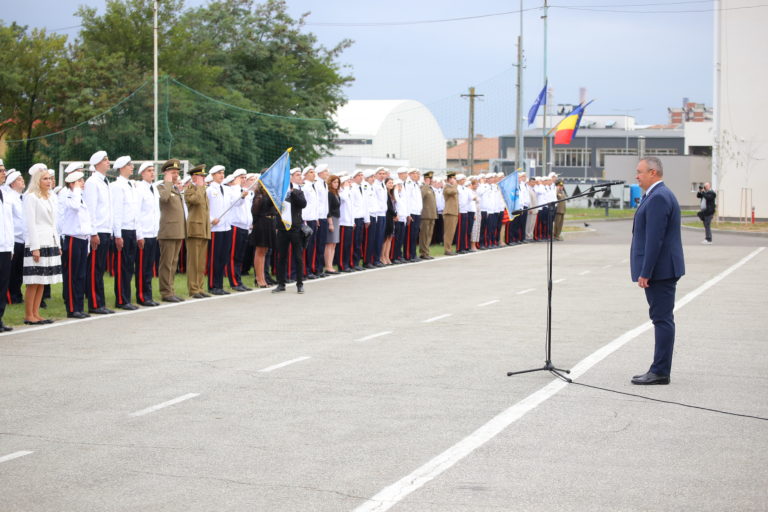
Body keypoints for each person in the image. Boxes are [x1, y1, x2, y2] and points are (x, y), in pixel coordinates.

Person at [630, 157, 685, 385]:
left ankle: (660, 371)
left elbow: (655, 239)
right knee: (661, 318)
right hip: (661, 268)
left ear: (653, 173)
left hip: (660, 270)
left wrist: (646, 271)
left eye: (640, 172)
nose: (637, 176)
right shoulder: (655, 195)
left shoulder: (659, 197)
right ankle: (659, 368)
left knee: (661, 319)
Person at [22, 164, 63, 325]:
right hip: (37, 242)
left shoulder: (51, 197)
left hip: (50, 241)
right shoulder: (31, 197)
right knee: (33, 281)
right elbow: (30, 224)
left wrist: (57, 244)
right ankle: (28, 315)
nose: (49, 181)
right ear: (37, 181)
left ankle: (36, 313)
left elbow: (54, 224)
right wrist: (35, 247)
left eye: (50, 178)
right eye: (45, 179)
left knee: (42, 280)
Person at [83, 150, 115, 315]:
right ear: (97, 163)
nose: (108, 162)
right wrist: (93, 233)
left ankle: (100, 302)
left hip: (105, 230)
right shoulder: (92, 182)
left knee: (100, 268)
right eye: (105, 160)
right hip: (97, 231)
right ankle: (94, 304)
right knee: (94, 269)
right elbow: (90, 210)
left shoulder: (104, 181)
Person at [59, 170, 92, 319]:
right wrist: (76, 189)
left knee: (80, 275)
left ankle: (79, 306)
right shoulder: (68, 196)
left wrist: (88, 243)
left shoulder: (81, 198)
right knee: (72, 275)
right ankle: (72, 308)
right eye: (79, 181)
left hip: (82, 239)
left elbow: (86, 222)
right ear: (72, 183)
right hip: (72, 239)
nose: (82, 183)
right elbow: (74, 207)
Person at [110, 156, 141, 310]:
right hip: (123, 230)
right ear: (122, 167)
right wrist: (117, 235)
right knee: (122, 266)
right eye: (129, 165)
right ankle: (122, 299)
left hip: (132, 230)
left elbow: (135, 212)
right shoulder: (117, 186)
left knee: (129, 266)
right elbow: (116, 212)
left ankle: (127, 298)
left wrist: (138, 234)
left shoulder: (131, 185)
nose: (132, 167)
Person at [156, 159, 187, 302]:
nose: (176, 175)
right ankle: (166, 292)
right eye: (173, 173)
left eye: (177, 173)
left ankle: (171, 289)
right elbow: (164, 199)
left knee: (173, 263)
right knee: (167, 263)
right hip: (167, 231)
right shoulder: (162, 187)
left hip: (177, 230)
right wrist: (168, 182)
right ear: (165, 173)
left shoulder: (174, 188)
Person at [273, 168, 307, 294]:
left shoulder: (298, 192)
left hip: (295, 228)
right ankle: (281, 283)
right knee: (281, 257)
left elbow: (303, 204)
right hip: (282, 229)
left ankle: (299, 283)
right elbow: (276, 210)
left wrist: (292, 193)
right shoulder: (279, 195)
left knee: (298, 257)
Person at [135, 162, 161, 306]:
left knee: (149, 266)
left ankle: (148, 294)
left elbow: (155, 212)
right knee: (142, 267)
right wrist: (139, 235)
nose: (152, 173)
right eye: (149, 171)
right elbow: (137, 213)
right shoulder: (140, 189)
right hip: (144, 233)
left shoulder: (154, 188)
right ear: (142, 173)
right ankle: (142, 296)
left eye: (153, 170)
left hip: (153, 232)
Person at [185, 164, 212, 299]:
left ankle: (200, 287)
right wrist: (200, 187)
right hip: (194, 229)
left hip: (204, 229)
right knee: (193, 262)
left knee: (201, 262)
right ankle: (193, 289)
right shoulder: (190, 189)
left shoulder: (202, 190)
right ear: (195, 177)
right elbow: (194, 201)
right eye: (201, 176)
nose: (204, 178)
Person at [206, 165, 232, 295]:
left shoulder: (227, 189)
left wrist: (243, 196)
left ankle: (220, 285)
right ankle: (212, 285)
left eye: (223, 173)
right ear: (213, 175)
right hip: (215, 228)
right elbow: (204, 208)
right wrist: (211, 219)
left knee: (223, 258)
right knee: (214, 258)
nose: (222, 175)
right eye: (219, 173)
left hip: (226, 227)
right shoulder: (209, 190)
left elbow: (236, 203)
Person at [2, 169, 25, 305]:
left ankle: (16, 294)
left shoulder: (20, 197)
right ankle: (11, 297)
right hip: (13, 239)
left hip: (21, 239)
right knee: (11, 272)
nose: (22, 181)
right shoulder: (10, 197)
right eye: (19, 179)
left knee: (18, 272)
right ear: (12, 183)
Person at [249, 181, 276, 288]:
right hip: (261, 223)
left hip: (270, 223)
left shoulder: (271, 193)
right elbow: (254, 211)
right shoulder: (259, 195)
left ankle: (262, 278)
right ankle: (259, 279)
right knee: (260, 251)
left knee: (264, 251)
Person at [0, 163, 15, 331]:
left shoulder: (5, 193)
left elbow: (9, 223)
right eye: (1, 171)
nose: (4, 173)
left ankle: (0, 318)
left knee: (3, 285)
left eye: (4, 170)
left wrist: (10, 247)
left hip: (5, 246)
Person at [324, 174, 341, 274]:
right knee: (330, 243)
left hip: (337, 218)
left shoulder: (336, 193)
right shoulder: (329, 194)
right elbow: (328, 209)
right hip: (332, 219)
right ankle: (328, 266)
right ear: (330, 183)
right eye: (334, 182)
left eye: (337, 182)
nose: (336, 184)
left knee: (334, 243)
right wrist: (330, 223)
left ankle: (331, 265)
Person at [419, 171, 437, 260]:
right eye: (429, 179)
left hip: (432, 215)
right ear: (425, 179)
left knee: (429, 235)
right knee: (424, 235)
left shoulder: (430, 188)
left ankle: (426, 251)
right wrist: (426, 185)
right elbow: (421, 196)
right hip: (425, 215)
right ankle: (423, 252)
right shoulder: (423, 187)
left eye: (431, 179)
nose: (431, 180)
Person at [442, 172, 459, 255]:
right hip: (449, 212)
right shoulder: (447, 187)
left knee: (452, 232)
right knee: (448, 232)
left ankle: (449, 248)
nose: (455, 180)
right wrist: (454, 185)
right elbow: (452, 192)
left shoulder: (452, 187)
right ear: (449, 179)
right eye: (453, 178)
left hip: (454, 212)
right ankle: (447, 249)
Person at [381, 177, 396, 265]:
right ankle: (382, 256)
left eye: (392, 183)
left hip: (391, 217)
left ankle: (387, 256)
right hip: (387, 216)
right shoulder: (385, 193)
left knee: (390, 238)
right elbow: (389, 207)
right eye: (389, 183)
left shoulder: (391, 194)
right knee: (385, 238)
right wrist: (395, 214)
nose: (391, 184)